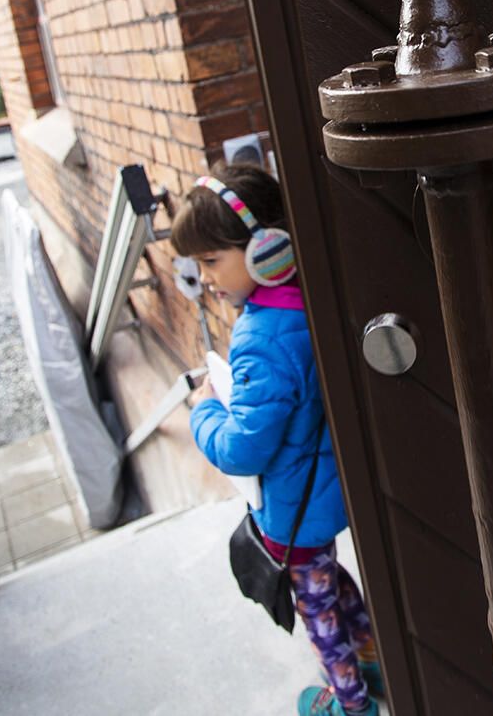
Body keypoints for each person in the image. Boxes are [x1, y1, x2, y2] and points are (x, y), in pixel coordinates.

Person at [170, 161, 383, 716]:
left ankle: (351, 704)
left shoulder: (262, 337)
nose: (206, 277)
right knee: (329, 581)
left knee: (317, 611)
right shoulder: (308, 298)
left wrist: (205, 412)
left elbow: (244, 447)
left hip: (294, 508)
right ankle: (376, 661)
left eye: (212, 260)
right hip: (328, 491)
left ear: (266, 248)